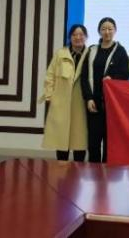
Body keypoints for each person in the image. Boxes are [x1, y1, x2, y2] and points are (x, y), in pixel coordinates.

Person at [80, 17, 129, 163]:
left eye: (110, 29)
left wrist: (112, 78)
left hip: (112, 105)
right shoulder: (91, 50)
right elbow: (84, 76)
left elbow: (125, 74)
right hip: (94, 103)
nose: (107, 32)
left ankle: (107, 174)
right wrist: (88, 98)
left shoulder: (120, 51)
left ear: (115, 30)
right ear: (99, 31)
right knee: (93, 143)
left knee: (109, 143)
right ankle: (94, 173)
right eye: (103, 29)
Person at [41, 24, 89, 162]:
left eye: (81, 34)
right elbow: (50, 76)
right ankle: (61, 170)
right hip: (61, 102)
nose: (78, 37)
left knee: (79, 139)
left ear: (86, 37)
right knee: (61, 139)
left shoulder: (90, 54)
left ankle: (78, 170)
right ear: (70, 37)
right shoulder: (61, 54)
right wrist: (49, 96)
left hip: (81, 103)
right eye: (74, 35)